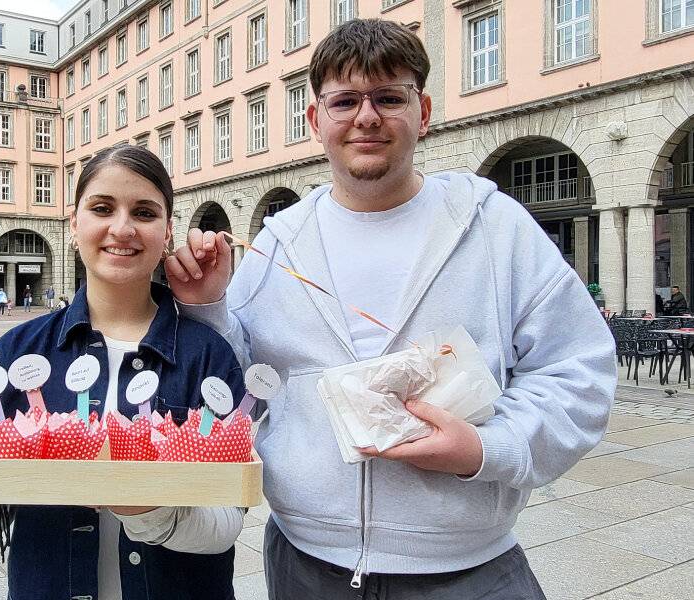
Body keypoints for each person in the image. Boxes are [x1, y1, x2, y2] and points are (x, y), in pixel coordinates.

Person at [166, 19, 616, 599]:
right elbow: (243, 383)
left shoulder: (495, 228)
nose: (367, 117)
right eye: (346, 100)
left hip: (467, 569)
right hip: (307, 562)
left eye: (388, 97)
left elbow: (578, 371)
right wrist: (209, 310)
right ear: (316, 120)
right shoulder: (279, 242)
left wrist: (486, 449)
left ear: (423, 111)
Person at [0, 145, 245, 600]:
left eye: (144, 212)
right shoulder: (19, 352)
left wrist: (142, 506)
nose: (122, 228)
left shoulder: (207, 355)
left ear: (167, 232)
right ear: (74, 224)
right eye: (102, 208)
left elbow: (224, 526)